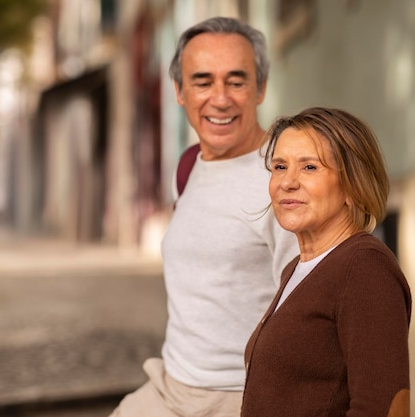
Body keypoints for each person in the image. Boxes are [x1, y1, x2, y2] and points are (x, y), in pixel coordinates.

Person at [110, 17, 298, 417]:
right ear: (179, 91)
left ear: (260, 87)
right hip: (169, 386)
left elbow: (313, 313)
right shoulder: (190, 164)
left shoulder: (284, 179)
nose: (220, 98)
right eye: (202, 81)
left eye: (236, 81)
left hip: (241, 398)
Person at [241, 107, 413, 417]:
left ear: (352, 187)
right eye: (280, 166)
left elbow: (385, 408)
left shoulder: (364, 267)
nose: (287, 182)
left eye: (309, 167)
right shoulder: (296, 269)